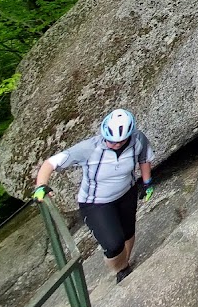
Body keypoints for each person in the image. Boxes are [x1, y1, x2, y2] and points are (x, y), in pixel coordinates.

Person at [32, 108, 155, 284]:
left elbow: (144, 159)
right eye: (110, 140)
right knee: (113, 244)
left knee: (128, 231)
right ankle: (120, 269)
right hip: (96, 203)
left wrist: (147, 182)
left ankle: (125, 263)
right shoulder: (89, 148)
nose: (114, 144)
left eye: (119, 141)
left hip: (126, 193)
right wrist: (41, 186)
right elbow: (51, 163)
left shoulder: (138, 139)